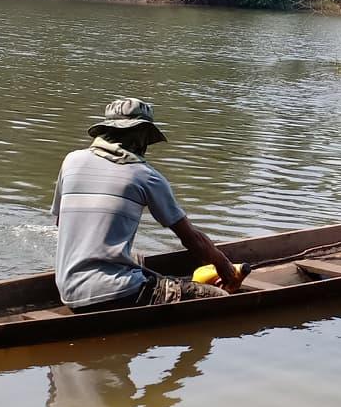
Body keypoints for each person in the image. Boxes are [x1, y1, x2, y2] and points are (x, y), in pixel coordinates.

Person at [51, 97, 243, 311]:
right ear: (141, 136)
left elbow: (62, 223)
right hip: (113, 293)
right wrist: (224, 266)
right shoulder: (145, 176)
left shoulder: (71, 161)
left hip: (67, 289)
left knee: (138, 259)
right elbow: (191, 239)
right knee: (218, 297)